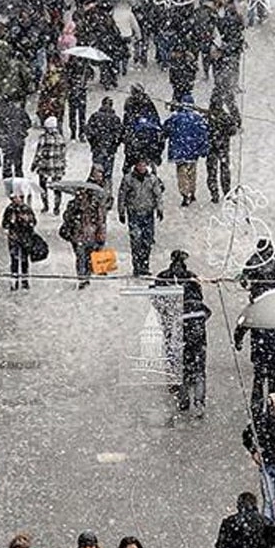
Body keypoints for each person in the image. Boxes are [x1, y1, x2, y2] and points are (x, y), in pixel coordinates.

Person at [155, 250, 210, 414]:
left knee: (177, 358)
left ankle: (181, 393)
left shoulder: (162, 277)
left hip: (175, 321)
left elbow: (157, 298)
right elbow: (200, 298)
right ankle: (199, 401)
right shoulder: (191, 277)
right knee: (199, 366)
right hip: (196, 327)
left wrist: (165, 313)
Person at [118, 159, 166, 277]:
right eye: (139, 165)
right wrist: (121, 211)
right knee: (136, 240)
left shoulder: (152, 179)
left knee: (147, 240)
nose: (142, 167)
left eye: (144, 165)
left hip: (148, 213)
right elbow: (122, 195)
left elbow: (158, 195)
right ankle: (137, 266)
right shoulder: (128, 179)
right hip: (133, 213)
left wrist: (160, 209)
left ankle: (145, 265)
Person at [59, 181, 108, 289]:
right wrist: (75, 212)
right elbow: (66, 217)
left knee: (89, 257)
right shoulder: (72, 205)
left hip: (92, 235)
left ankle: (87, 275)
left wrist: (101, 232)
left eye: (84, 193)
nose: (81, 195)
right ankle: (82, 278)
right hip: (77, 236)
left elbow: (100, 220)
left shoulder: (94, 205)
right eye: (79, 193)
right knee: (80, 257)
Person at [162, 95, 209, 207]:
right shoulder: (198, 118)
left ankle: (185, 194)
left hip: (179, 151)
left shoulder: (175, 117)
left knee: (182, 173)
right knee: (192, 172)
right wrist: (203, 150)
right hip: (193, 152)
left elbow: (166, 129)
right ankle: (192, 192)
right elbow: (203, 135)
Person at [206, 92, 239, 203]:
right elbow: (233, 130)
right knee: (224, 170)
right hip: (223, 148)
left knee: (212, 172)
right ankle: (226, 191)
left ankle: (214, 193)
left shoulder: (207, 116)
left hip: (211, 148)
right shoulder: (225, 117)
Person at [2, 191, 38, 291]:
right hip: (13, 239)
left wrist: (27, 220)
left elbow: (33, 222)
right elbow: (4, 224)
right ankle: (14, 282)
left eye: (17, 197)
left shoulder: (26, 209)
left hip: (25, 238)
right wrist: (11, 221)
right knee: (14, 260)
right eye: (13, 198)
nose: (15, 200)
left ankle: (25, 281)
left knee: (24, 260)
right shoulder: (9, 209)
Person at [32, 116, 68, 214]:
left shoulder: (43, 138)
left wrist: (34, 164)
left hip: (45, 166)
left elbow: (39, 152)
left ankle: (45, 205)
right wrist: (63, 164)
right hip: (57, 167)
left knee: (43, 187)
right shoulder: (61, 138)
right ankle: (57, 207)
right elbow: (63, 153)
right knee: (57, 187)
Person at [86, 97, 124, 185]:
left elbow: (89, 131)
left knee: (96, 171)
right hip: (109, 150)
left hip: (98, 148)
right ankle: (106, 191)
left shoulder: (95, 116)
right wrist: (114, 145)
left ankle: (94, 190)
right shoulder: (115, 119)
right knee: (108, 173)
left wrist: (94, 143)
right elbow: (120, 134)